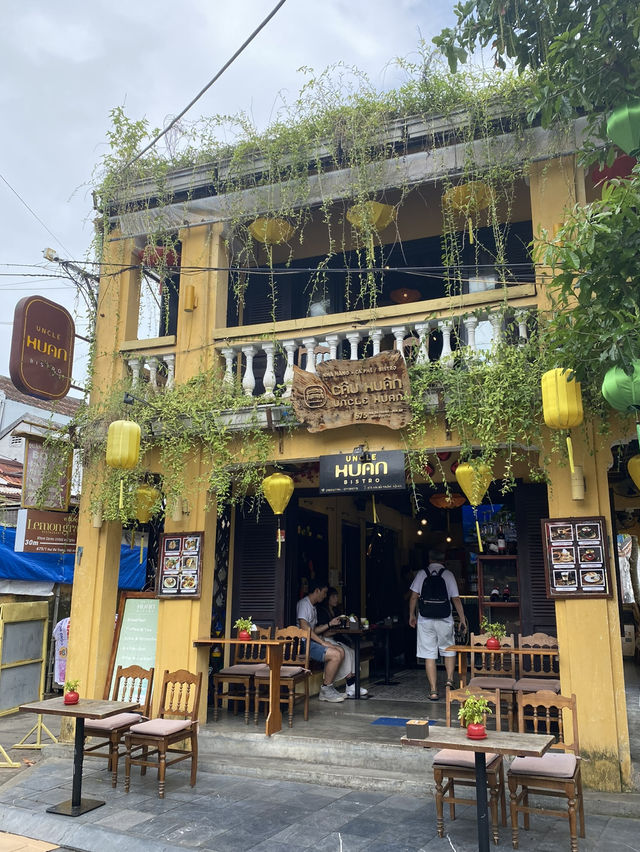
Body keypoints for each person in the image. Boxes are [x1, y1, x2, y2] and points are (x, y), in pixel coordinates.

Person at [408, 549, 467, 701]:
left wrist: (412, 615)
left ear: (429, 559)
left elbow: (414, 597)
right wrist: (462, 619)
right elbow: (456, 599)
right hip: (445, 619)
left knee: (429, 655)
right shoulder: (448, 575)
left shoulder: (422, 574)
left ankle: (433, 690)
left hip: (425, 620)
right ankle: (449, 681)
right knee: (448, 649)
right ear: (444, 560)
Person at [297, 582, 346, 703]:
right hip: (304, 643)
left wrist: (330, 624)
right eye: (324, 593)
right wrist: (322, 642)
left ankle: (329, 687)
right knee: (335, 655)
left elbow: (314, 630)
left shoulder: (313, 607)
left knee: (340, 651)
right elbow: (305, 629)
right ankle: (325, 690)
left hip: (312, 641)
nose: (325, 596)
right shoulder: (304, 604)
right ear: (317, 591)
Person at [316, 587, 368, 698]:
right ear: (328, 599)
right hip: (324, 640)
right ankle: (350, 684)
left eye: (337, 596)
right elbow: (324, 633)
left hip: (334, 639)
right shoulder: (321, 611)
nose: (336, 599)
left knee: (352, 652)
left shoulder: (336, 611)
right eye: (333, 596)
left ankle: (351, 685)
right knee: (346, 652)